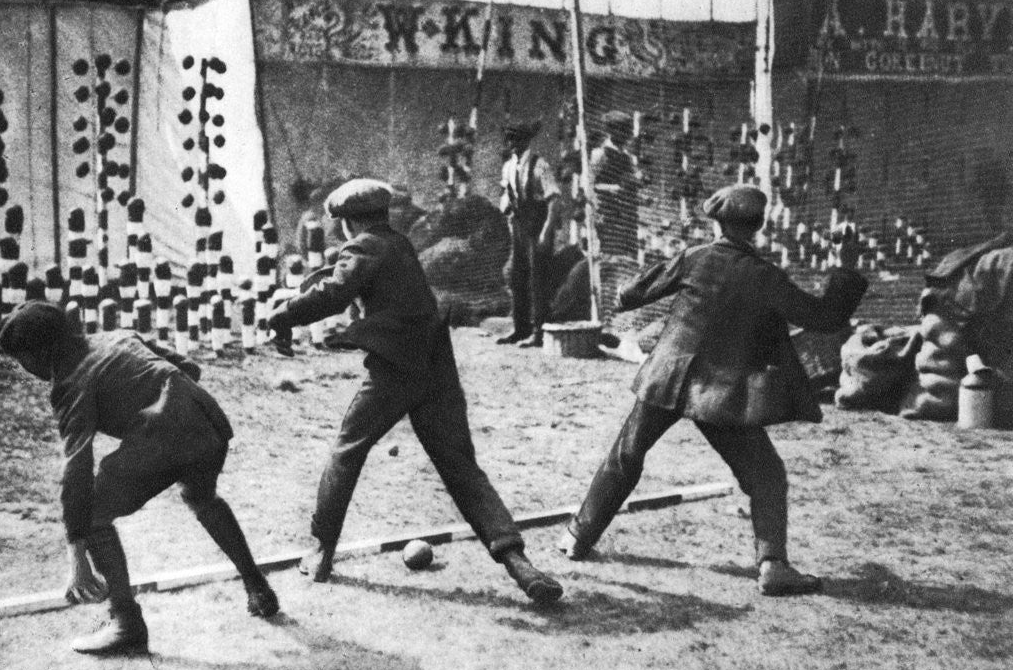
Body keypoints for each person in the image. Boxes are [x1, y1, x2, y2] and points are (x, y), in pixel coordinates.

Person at [557, 184, 868, 596]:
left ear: (716, 221)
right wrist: (844, 267)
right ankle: (773, 564)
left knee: (626, 454)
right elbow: (825, 317)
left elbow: (628, 294)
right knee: (766, 474)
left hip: (666, 376)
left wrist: (651, 282)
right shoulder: (765, 277)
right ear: (758, 226)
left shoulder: (694, 258)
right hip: (719, 391)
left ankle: (577, 537)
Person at [269, 179, 564, 604]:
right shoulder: (400, 245)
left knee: (346, 451)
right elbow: (342, 282)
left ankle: (319, 551)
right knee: (462, 467)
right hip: (436, 368)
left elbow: (335, 292)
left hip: (396, 369)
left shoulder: (363, 248)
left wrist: (284, 315)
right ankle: (520, 565)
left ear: (350, 222)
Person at [0, 302, 279, 655]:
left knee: (94, 516)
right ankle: (257, 587)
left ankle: (125, 622)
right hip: (208, 424)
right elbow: (189, 367)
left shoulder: (70, 381)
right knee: (200, 496)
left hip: (166, 436)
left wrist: (77, 556)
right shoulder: (119, 336)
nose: (27, 370)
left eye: (24, 360)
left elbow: (76, 469)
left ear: (43, 350)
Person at [497, 119, 562, 348]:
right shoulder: (508, 166)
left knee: (538, 279)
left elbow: (554, 199)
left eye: (517, 139)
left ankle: (539, 332)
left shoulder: (539, 165)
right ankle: (520, 328)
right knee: (517, 277)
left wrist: (546, 231)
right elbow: (506, 192)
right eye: (510, 139)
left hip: (537, 224)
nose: (513, 143)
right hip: (518, 225)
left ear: (526, 140)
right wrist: (505, 207)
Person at [591, 110, 640, 262]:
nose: (627, 135)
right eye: (624, 130)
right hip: (608, 213)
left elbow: (631, 180)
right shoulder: (600, 154)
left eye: (628, 131)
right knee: (609, 258)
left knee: (627, 259)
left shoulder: (628, 157)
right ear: (612, 130)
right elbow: (588, 185)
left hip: (626, 215)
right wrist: (613, 189)